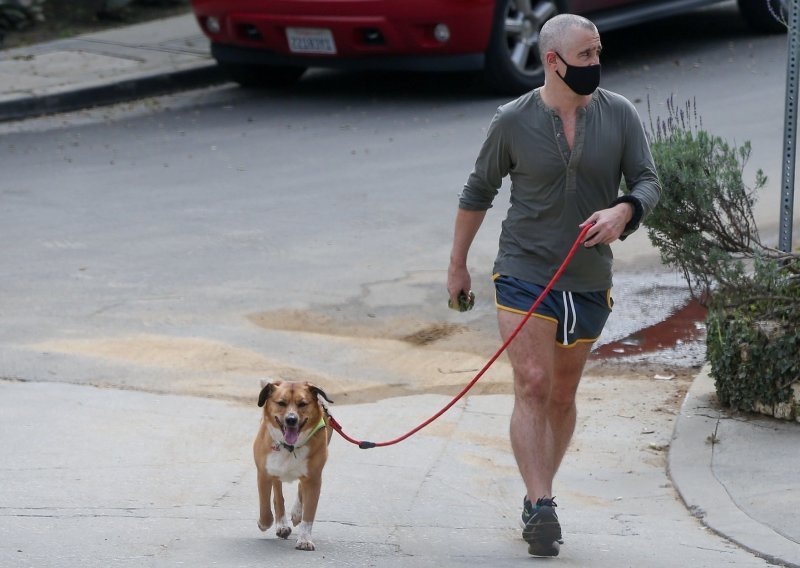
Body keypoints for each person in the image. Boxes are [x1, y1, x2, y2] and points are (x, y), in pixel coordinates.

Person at [446, 14, 661, 557]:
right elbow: (478, 191)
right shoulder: (512, 120)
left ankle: (538, 493)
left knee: (563, 393)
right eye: (584, 55)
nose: (595, 64)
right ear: (553, 61)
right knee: (534, 383)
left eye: (597, 53)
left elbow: (648, 180)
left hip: (589, 278)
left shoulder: (620, 114)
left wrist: (624, 210)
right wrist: (457, 265)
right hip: (524, 271)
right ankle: (541, 503)